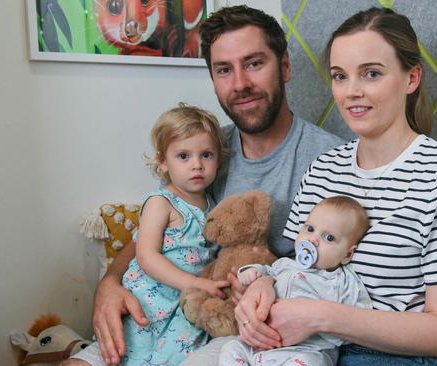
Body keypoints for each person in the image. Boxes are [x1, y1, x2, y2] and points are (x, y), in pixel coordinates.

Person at [65, 5, 342, 366]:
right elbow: (152, 234)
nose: (240, 83)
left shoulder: (330, 160)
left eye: (254, 63)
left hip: (249, 333)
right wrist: (110, 283)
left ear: (285, 67)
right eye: (224, 70)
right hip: (165, 317)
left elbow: (342, 276)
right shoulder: (206, 153)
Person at [234, 7, 437, 365]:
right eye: (339, 76)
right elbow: (299, 264)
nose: (351, 92)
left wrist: (321, 316)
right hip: (308, 348)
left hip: (397, 357)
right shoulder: (324, 169)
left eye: (371, 74)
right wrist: (262, 287)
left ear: (411, 79)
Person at [120, 105, 230, 364]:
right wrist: (192, 283)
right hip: (152, 298)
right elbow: (146, 255)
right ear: (162, 161)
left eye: (206, 155)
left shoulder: (213, 205)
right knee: (139, 355)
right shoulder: (162, 202)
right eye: (183, 156)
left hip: (186, 301)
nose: (197, 165)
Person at [219, 196, 372, 365]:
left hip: (306, 351)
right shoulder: (285, 264)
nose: (313, 240)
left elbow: (358, 319)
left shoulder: (343, 282)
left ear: (347, 254)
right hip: (260, 347)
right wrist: (251, 273)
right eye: (310, 228)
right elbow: (265, 271)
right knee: (232, 348)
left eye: (328, 238)